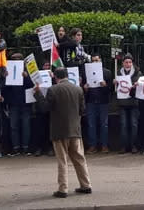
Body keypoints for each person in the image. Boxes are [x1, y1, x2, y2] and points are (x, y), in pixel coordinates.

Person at [34, 67, 92, 199]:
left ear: (55, 77)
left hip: (59, 131)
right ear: (67, 75)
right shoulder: (78, 89)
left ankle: (63, 188)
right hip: (75, 130)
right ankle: (86, 185)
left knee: (62, 160)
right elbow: (82, 110)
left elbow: (45, 108)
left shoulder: (53, 90)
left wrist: (37, 94)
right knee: (79, 158)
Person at [4, 53, 34, 156]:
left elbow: (33, 85)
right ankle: (16, 148)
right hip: (13, 103)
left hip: (25, 103)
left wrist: (26, 77)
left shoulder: (28, 71)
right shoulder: (8, 71)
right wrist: (6, 78)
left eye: (18, 59)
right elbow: (5, 89)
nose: (16, 60)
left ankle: (25, 148)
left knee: (26, 126)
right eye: (14, 59)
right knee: (14, 126)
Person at [83, 53, 113, 154]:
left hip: (103, 102)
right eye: (93, 60)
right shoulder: (86, 72)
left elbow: (111, 90)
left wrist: (105, 86)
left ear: (100, 61)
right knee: (91, 125)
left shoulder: (107, 72)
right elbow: (83, 89)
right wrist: (85, 88)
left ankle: (104, 146)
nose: (95, 62)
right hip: (90, 101)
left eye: (97, 60)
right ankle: (92, 146)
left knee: (104, 124)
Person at [116, 54, 140, 154]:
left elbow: (142, 85)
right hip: (122, 103)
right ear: (123, 63)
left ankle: (134, 145)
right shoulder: (118, 73)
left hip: (134, 102)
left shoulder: (138, 73)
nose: (128, 64)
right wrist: (115, 82)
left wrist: (137, 84)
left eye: (130, 62)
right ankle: (124, 146)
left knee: (134, 125)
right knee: (123, 125)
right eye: (126, 62)